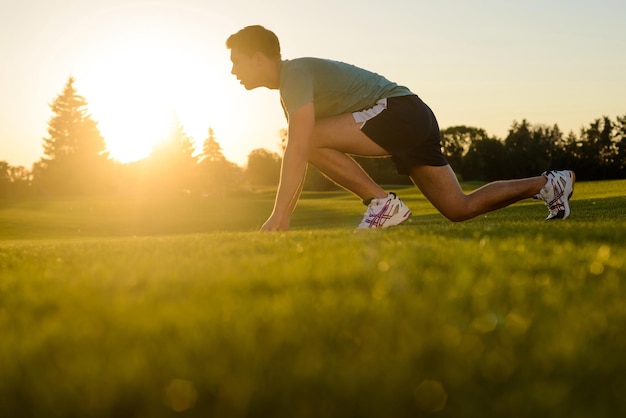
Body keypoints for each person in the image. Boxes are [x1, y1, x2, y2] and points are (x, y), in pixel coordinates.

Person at [225, 25, 575, 232]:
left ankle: (381, 203)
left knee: (307, 139)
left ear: (259, 58)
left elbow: (300, 148)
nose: (233, 72)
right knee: (458, 208)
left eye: (236, 62)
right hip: (413, 115)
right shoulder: (291, 85)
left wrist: (280, 214)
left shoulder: (294, 75)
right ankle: (550, 184)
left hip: (399, 112)